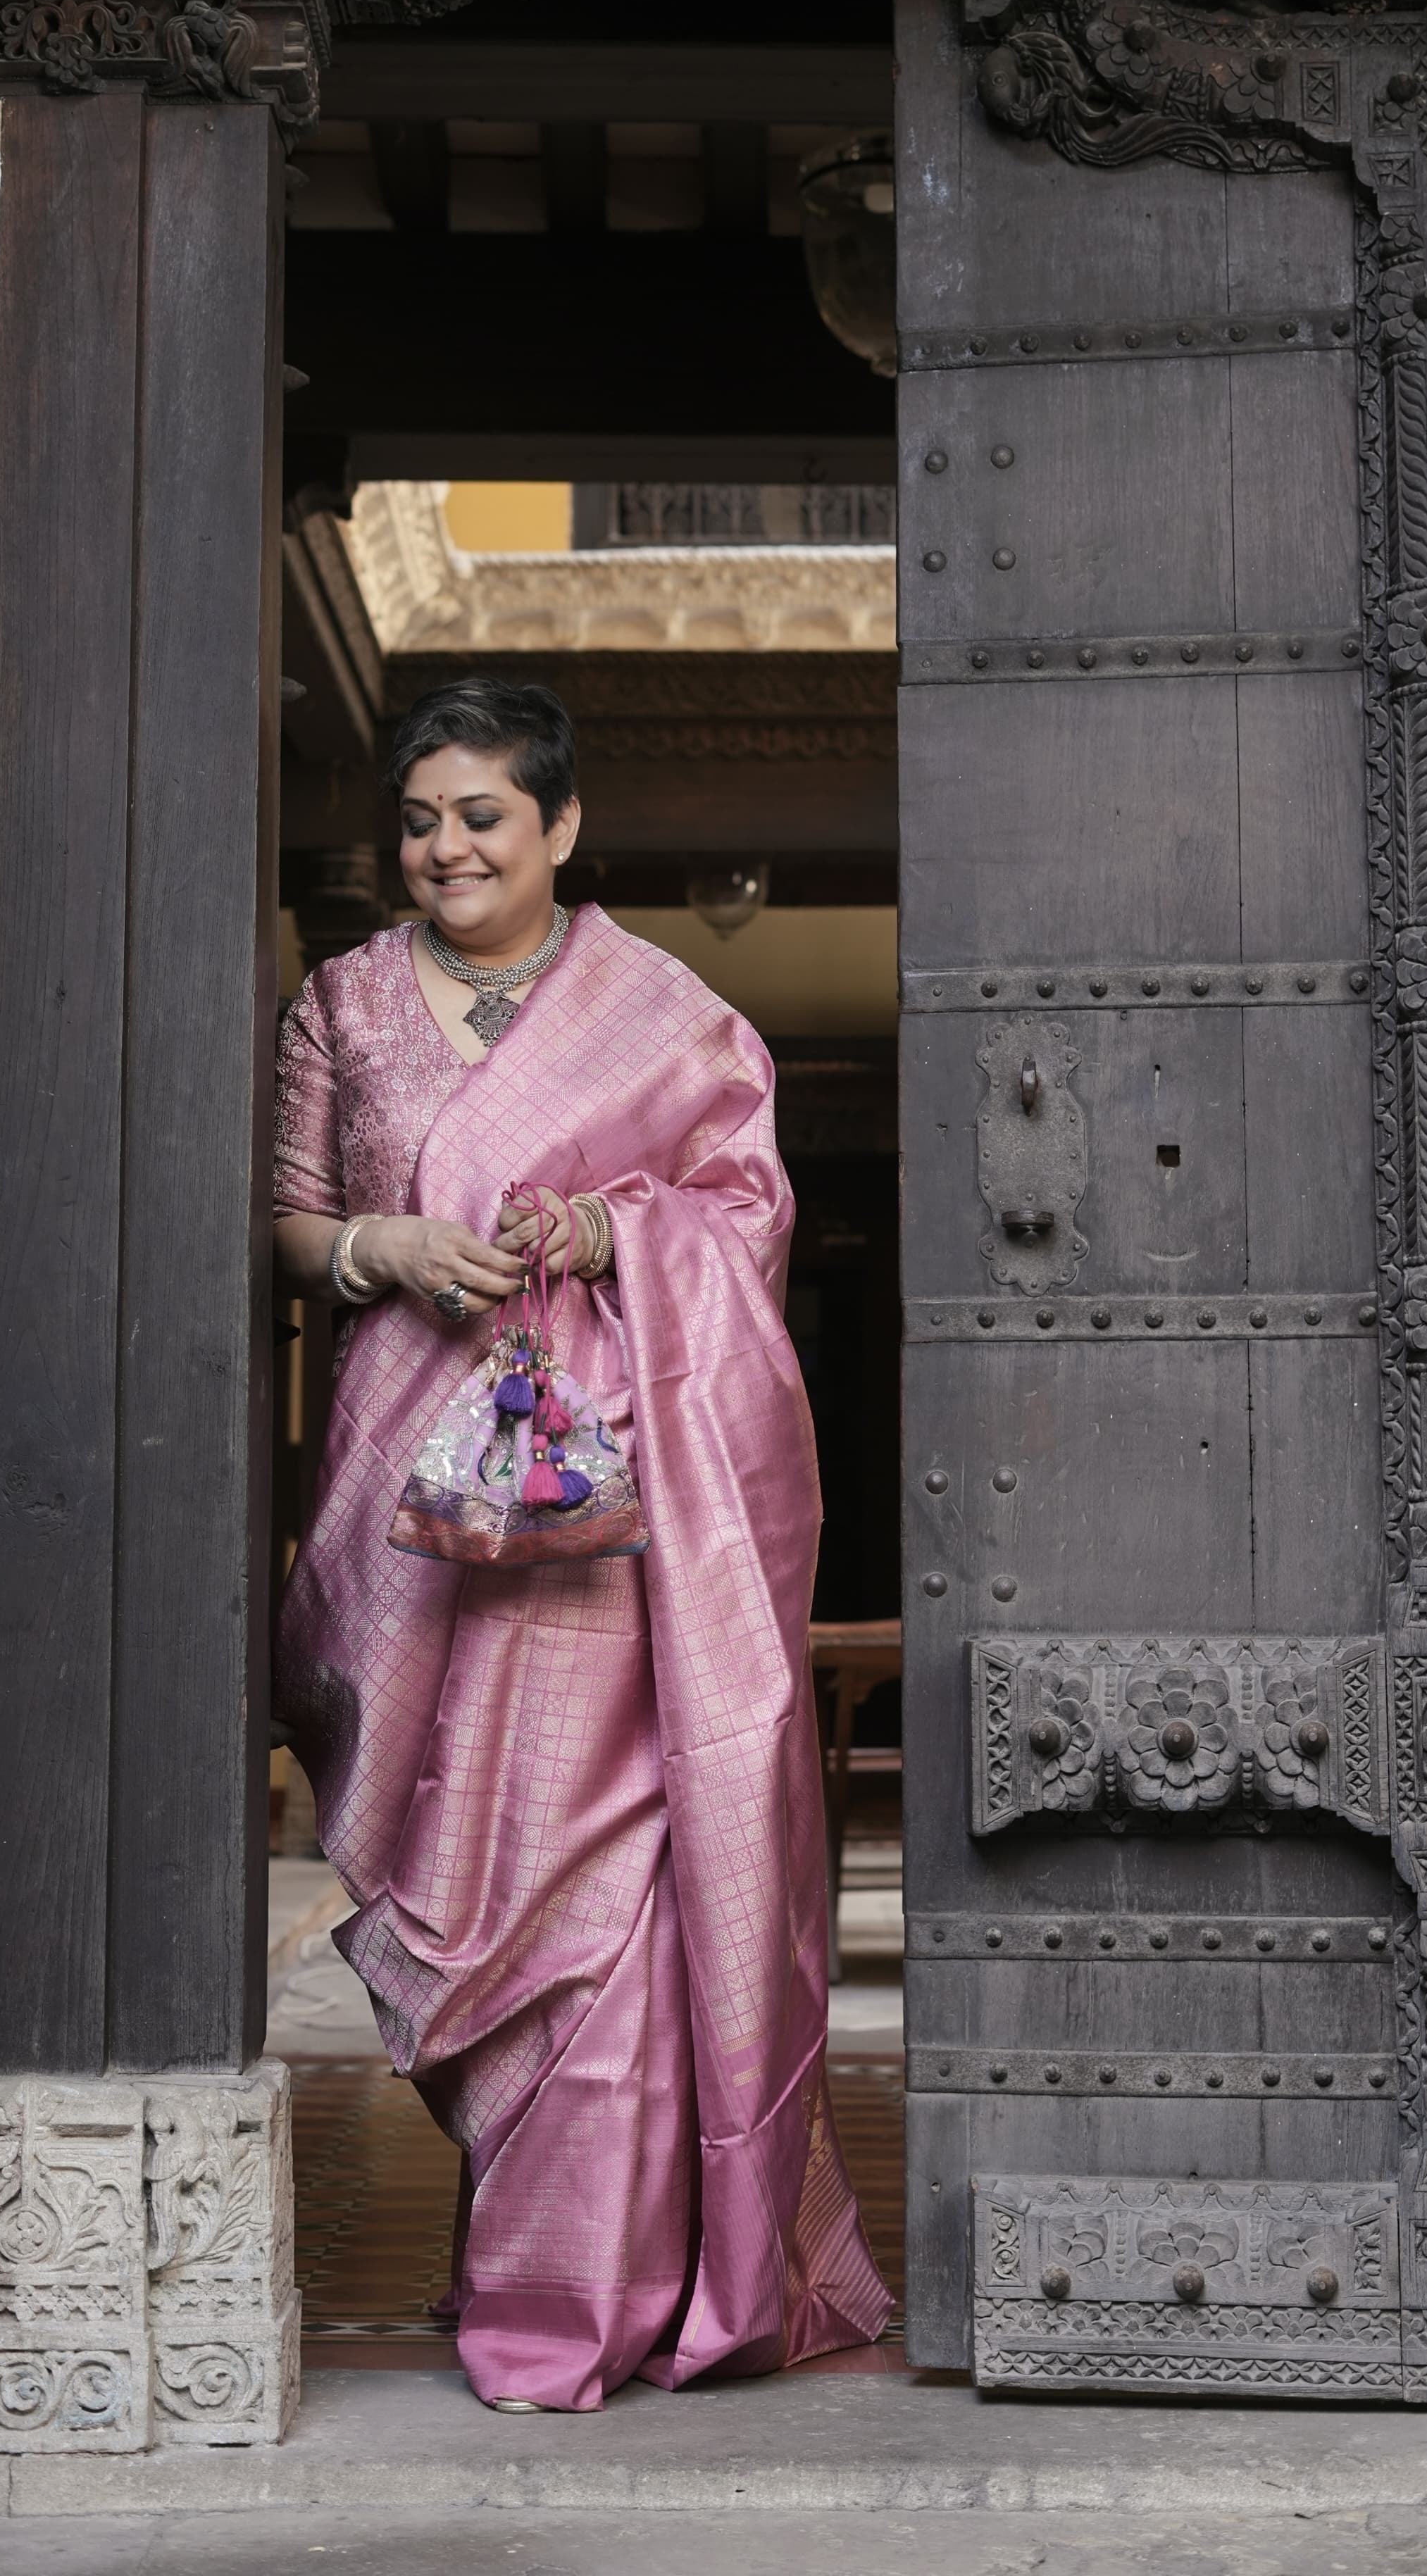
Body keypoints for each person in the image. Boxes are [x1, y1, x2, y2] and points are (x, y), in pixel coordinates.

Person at [272, 677, 890, 2412]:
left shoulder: (668, 1016)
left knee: (610, 1886)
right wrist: (385, 1248)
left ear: (558, 828)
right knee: (460, 1878)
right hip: (406, 1502)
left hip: (606, 1532)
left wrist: (610, 1230)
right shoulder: (343, 1007)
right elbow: (287, 1218)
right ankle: (529, 2252)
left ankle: (594, 2299)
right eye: (419, 818)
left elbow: (744, 1209)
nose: (444, 846)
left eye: (480, 815)